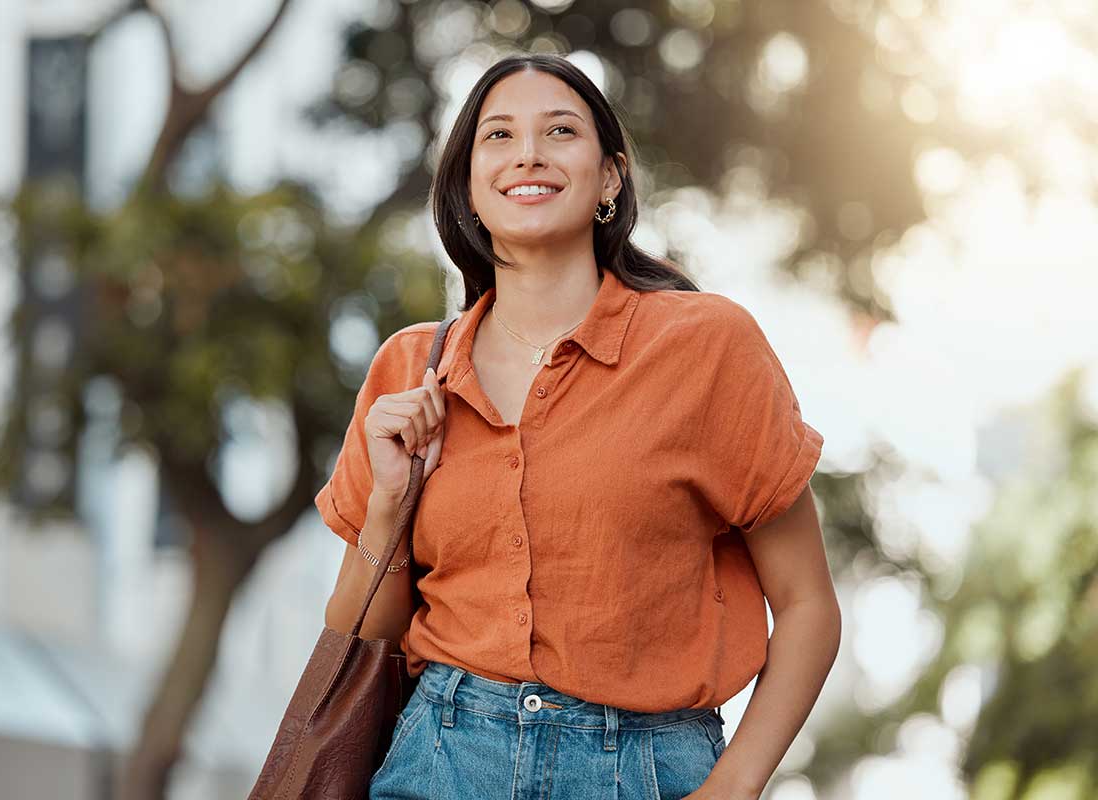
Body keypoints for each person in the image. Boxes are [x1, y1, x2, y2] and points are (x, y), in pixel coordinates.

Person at [319, 52, 840, 800]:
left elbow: (807, 605)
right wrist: (388, 507)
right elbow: (359, 639)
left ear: (609, 177)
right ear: (467, 184)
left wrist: (733, 789)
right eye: (497, 136)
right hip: (439, 761)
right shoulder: (408, 370)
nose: (527, 152)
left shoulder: (706, 347)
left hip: (645, 771)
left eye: (558, 131)